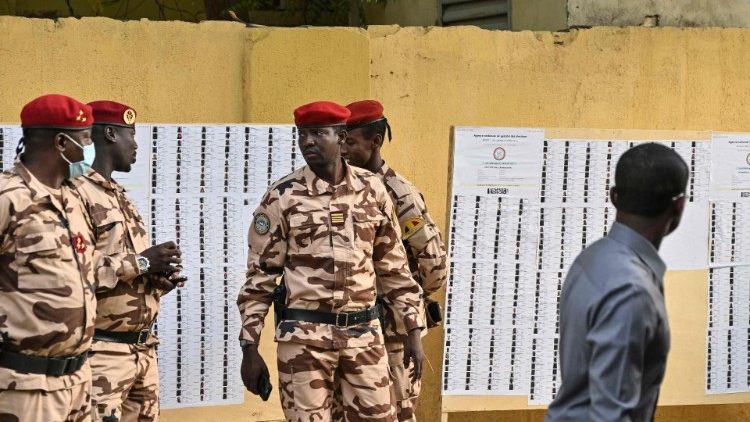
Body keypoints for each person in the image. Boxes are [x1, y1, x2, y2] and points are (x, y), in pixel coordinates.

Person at [237, 101, 425, 421]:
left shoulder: (372, 190)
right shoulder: (282, 196)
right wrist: (249, 348)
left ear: (340, 137)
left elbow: (394, 269)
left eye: (318, 133)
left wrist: (413, 331)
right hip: (303, 341)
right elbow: (260, 278)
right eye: (303, 134)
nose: (308, 142)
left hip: (364, 335)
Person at [546, 143, 688, 421]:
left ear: (614, 197)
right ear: (679, 206)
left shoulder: (593, 257)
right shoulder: (631, 291)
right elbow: (611, 414)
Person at [0, 94, 110, 421]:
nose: (90, 151)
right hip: (26, 388)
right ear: (62, 142)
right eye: (87, 140)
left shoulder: (72, 199)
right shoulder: (9, 198)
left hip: (78, 381)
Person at [73, 100, 183, 421]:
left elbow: (125, 270)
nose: (135, 145)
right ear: (109, 134)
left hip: (142, 350)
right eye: (130, 135)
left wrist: (157, 282)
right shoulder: (77, 195)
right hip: (102, 354)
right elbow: (74, 273)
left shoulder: (119, 196)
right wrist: (144, 263)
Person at [339, 99, 447, 421]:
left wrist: (403, 305)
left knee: (398, 412)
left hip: (396, 335)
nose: (342, 148)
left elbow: (435, 268)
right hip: (361, 330)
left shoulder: (399, 194)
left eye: (351, 141)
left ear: (375, 142)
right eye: (341, 139)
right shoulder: (347, 191)